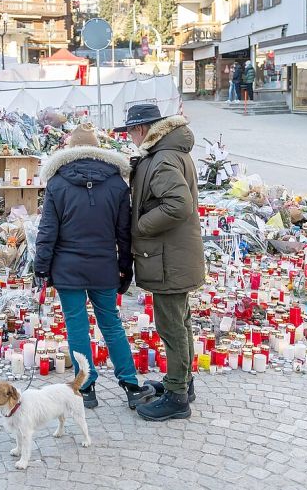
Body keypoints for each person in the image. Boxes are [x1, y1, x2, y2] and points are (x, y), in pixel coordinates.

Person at [34, 122, 156, 410]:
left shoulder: (58, 182)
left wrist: (41, 268)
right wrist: (125, 267)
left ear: (71, 150)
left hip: (67, 268)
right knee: (111, 324)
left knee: (77, 327)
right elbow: (124, 232)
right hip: (104, 266)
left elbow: (47, 231)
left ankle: (85, 389)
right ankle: (130, 384)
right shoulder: (116, 182)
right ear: (97, 149)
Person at [119, 104, 205, 422]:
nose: (129, 137)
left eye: (131, 131)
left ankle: (177, 397)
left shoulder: (164, 157)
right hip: (174, 255)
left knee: (172, 327)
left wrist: (140, 225)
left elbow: (178, 205)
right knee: (180, 323)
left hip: (170, 258)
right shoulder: (167, 153)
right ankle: (181, 382)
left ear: (144, 130)